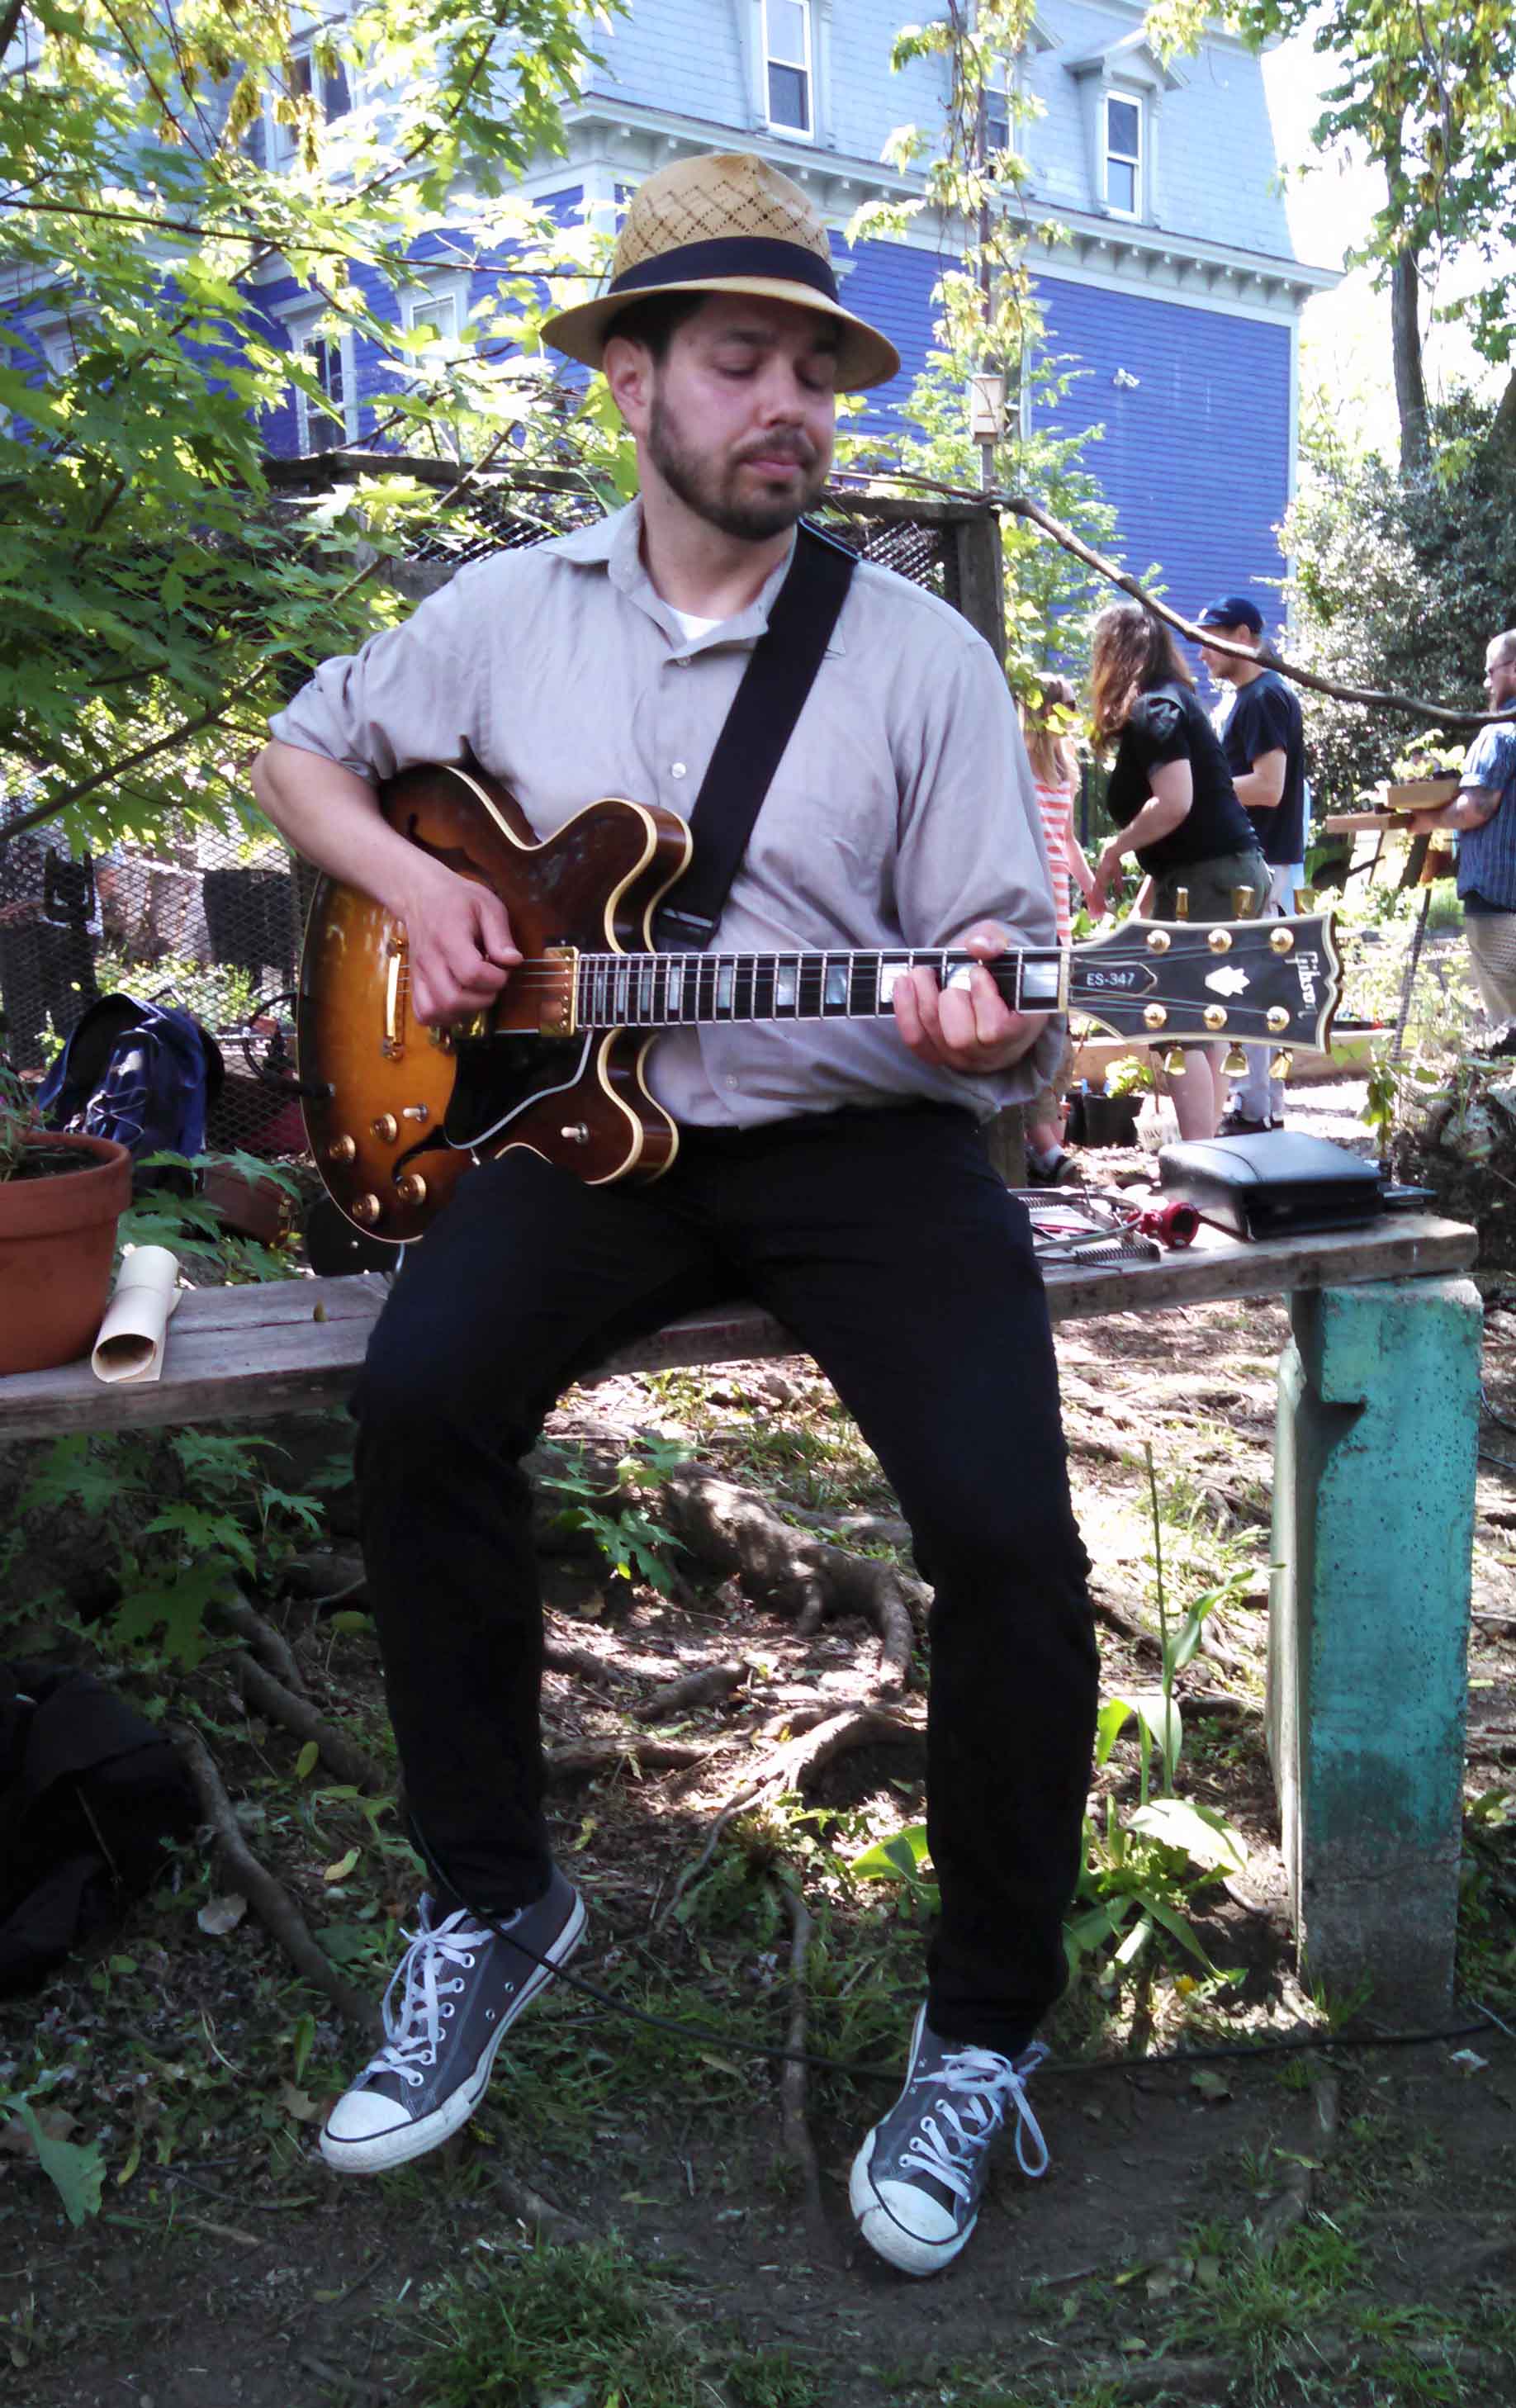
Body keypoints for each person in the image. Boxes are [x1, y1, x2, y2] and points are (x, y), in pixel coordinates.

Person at [249, 151, 1097, 2280]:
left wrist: (988, 1011)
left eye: (815, 369)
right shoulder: (501, 617)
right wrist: (422, 885)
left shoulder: (919, 660)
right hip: (574, 1135)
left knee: (1008, 1537)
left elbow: (1000, 969)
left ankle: (985, 2022)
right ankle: (490, 1896)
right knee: (420, 1406)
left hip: (855, 1143)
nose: (787, 404)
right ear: (630, 380)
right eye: (738, 360)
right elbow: (299, 761)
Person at [1087, 601, 1269, 1141]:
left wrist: (1114, 849)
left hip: (1210, 878)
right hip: (1221, 874)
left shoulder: (1155, 710)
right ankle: (1209, 1161)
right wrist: (1145, 905)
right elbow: (1180, 830)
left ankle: (1197, 1164)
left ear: (1116, 655)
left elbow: (1175, 803)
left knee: (1178, 1021)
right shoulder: (1175, 702)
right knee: (1205, 1021)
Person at [1195, 598, 1307, 1134]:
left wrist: (1195, 790)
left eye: (1210, 638)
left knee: (1248, 983)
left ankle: (1253, 1110)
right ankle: (1260, 1107)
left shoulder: (1263, 698)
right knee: (1254, 982)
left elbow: (1269, 785)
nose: (1201, 651)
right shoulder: (1254, 697)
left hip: (1259, 866)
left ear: (1244, 635)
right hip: (1258, 864)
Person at [1407, 628, 1516, 1025]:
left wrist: (1427, 819)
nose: (1486, 683)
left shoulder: (1500, 732)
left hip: (1498, 900)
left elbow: (1477, 808)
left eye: (1490, 671)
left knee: (1507, 1025)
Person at [1019, 676, 1102, 1182]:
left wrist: (1091, 887)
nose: (1074, 713)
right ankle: (1044, 1146)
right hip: (1026, 915)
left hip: (1057, 917)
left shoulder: (1065, 769)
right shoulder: (1014, 764)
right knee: (1035, 1028)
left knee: (1058, 1031)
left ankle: (1049, 1143)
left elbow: (1067, 840)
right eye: (1068, 705)